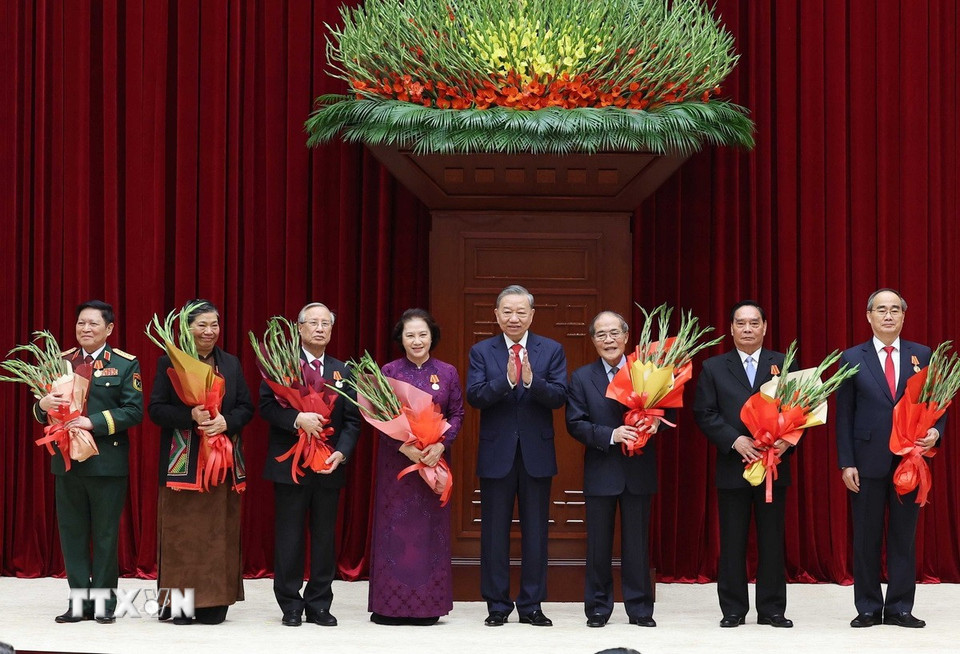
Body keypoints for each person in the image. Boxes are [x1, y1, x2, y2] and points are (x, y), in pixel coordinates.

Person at [836, 288, 945, 628]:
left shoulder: (922, 355)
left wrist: (936, 432)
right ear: (869, 316)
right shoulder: (852, 357)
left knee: (903, 537)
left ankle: (899, 607)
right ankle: (868, 607)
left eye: (894, 309)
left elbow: (937, 403)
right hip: (866, 461)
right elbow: (844, 415)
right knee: (865, 538)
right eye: (881, 309)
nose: (888, 315)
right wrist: (846, 462)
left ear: (903, 316)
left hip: (909, 461)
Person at [33, 300, 144, 624]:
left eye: (93, 324)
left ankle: (105, 604)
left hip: (106, 463)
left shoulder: (124, 364)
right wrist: (43, 404)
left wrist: (92, 422)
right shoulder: (61, 362)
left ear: (109, 329)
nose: (86, 329)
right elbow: (42, 412)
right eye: (81, 323)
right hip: (67, 463)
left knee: (106, 535)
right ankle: (79, 602)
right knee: (73, 534)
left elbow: (134, 411)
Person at [147, 300, 254, 625]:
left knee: (218, 534)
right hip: (185, 464)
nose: (209, 331)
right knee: (183, 535)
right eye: (202, 325)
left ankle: (214, 602)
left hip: (221, 464)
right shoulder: (170, 362)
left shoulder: (231, 364)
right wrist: (188, 415)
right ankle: (179, 604)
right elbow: (155, 410)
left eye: (214, 325)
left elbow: (246, 408)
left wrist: (226, 423)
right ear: (187, 329)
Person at [466, 284, 567, 627]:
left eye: (521, 312)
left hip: (536, 453)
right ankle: (497, 605)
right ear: (496, 315)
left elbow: (558, 397)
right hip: (497, 454)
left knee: (536, 531)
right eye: (507, 311)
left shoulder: (551, 350)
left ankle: (532, 605)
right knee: (494, 531)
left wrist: (531, 381)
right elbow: (475, 396)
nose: (514, 318)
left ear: (532, 315)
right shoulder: (481, 351)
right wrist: (507, 382)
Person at [692, 300, 794, 628]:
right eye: (741, 323)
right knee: (733, 542)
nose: (747, 329)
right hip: (733, 466)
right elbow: (704, 413)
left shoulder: (784, 364)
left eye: (754, 323)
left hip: (772, 466)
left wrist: (784, 439)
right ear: (732, 328)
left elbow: (800, 410)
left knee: (772, 541)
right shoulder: (714, 367)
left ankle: (772, 610)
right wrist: (734, 440)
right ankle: (733, 610)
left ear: (764, 326)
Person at [260, 302, 361, 627]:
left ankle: (319, 602)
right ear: (300, 329)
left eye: (325, 324)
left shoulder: (343, 370)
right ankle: (290, 603)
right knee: (289, 537)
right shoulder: (280, 364)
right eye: (312, 323)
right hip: (291, 465)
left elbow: (353, 421)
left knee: (323, 537)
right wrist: (297, 418)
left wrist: (341, 453)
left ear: (331, 331)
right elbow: (266, 407)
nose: (319, 328)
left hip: (328, 465)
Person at [566, 311, 664, 628]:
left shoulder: (646, 373)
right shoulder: (582, 377)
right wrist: (611, 435)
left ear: (625, 337)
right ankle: (597, 608)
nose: (608, 340)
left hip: (638, 471)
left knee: (637, 547)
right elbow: (575, 423)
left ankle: (639, 609)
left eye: (614, 333)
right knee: (598, 547)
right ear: (593, 341)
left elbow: (664, 415)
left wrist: (653, 424)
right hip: (601, 469)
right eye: (601, 334)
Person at [368, 309, 464, 625]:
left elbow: (457, 414)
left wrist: (440, 445)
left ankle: (427, 606)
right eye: (410, 335)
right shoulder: (389, 371)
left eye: (422, 334)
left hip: (432, 464)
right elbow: (381, 418)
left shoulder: (447, 372)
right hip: (398, 466)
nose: (417, 340)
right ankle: (389, 606)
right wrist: (404, 446)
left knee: (428, 533)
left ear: (432, 336)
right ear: (401, 339)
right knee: (395, 530)